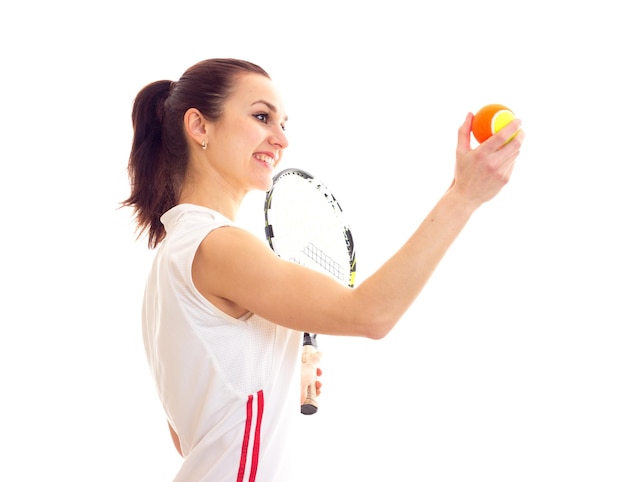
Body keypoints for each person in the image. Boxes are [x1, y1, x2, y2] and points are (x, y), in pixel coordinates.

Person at [123, 58, 524, 481]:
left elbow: (192, 436)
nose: (281, 139)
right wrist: (463, 196)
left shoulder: (174, 255)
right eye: (262, 117)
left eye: (283, 123)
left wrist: (275, 374)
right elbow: (370, 314)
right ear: (200, 126)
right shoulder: (217, 244)